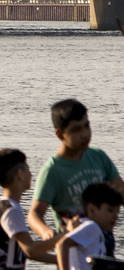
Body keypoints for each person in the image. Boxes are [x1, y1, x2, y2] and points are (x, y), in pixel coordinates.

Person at [29, 99, 124, 240]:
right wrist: (46, 232)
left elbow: (121, 191)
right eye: (76, 130)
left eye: (86, 126)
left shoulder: (98, 157)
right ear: (60, 135)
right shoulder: (52, 170)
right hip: (72, 251)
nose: (85, 134)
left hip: (103, 248)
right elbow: (34, 214)